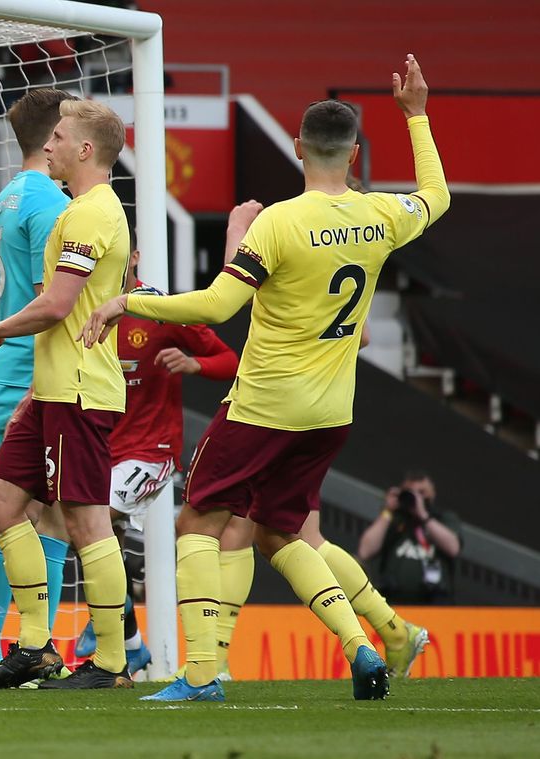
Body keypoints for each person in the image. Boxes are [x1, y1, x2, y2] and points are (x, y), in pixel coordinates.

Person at [83, 55, 449, 702]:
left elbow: (217, 308)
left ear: (300, 149)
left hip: (263, 405)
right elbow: (438, 196)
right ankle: (364, 645)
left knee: (197, 520)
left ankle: (199, 676)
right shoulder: (383, 216)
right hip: (331, 413)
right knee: (283, 531)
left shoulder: (279, 221)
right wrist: (417, 115)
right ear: (355, 152)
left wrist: (127, 301)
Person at [207, 209, 432, 683]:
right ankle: (393, 630)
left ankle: (216, 657)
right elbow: (364, 334)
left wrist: (235, 234)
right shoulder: (349, 240)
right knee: (299, 536)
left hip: (276, 406)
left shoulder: (285, 238)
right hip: (324, 409)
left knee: (240, 527)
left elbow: (232, 297)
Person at [0, 97, 132, 690]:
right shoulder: (76, 207)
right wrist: (35, 389)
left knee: (84, 522)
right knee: (1, 504)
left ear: (85, 150)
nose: (52, 145)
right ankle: (35, 647)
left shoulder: (91, 213)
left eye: (61, 137)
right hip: (53, 387)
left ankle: (112, 663)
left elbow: (58, 304)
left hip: (83, 391)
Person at [73, 240, 240, 677]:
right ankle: (129, 643)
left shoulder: (159, 309)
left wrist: (192, 363)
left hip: (153, 452)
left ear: (134, 258)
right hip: (102, 449)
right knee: (86, 531)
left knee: (100, 516)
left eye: (118, 254)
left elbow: (228, 358)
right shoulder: (83, 306)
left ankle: (109, 626)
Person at [0, 88, 76, 681]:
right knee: (36, 513)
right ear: (57, 132)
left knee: (16, 509)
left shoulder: (10, 194)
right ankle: (23, 652)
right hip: (37, 369)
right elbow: (48, 301)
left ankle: (2, 650)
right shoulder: (52, 204)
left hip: (13, 366)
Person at [359, 471, 462, 605]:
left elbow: (453, 548)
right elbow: (364, 551)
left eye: (422, 492)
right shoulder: (394, 519)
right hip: (393, 605)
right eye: (411, 493)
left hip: (435, 608)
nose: (417, 498)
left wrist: (423, 515)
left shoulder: (443, 519)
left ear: (432, 493)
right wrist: (387, 511)